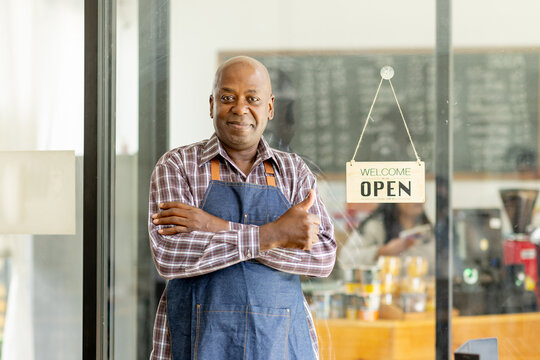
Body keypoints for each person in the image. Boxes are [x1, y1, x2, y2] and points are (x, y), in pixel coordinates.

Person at [148, 56, 336, 360]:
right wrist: (273, 235)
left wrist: (214, 226)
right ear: (211, 104)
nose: (239, 108)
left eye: (253, 98)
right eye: (227, 97)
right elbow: (170, 256)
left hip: (280, 344)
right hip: (198, 341)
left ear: (270, 107)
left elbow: (322, 257)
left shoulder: (294, 172)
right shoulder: (178, 165)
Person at [339, 203, 434, 271]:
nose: (420, 199)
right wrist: (382, 252)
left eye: (421, 192)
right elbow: (345, 258)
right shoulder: (376, 226)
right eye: (412, 193)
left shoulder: (426, 229)